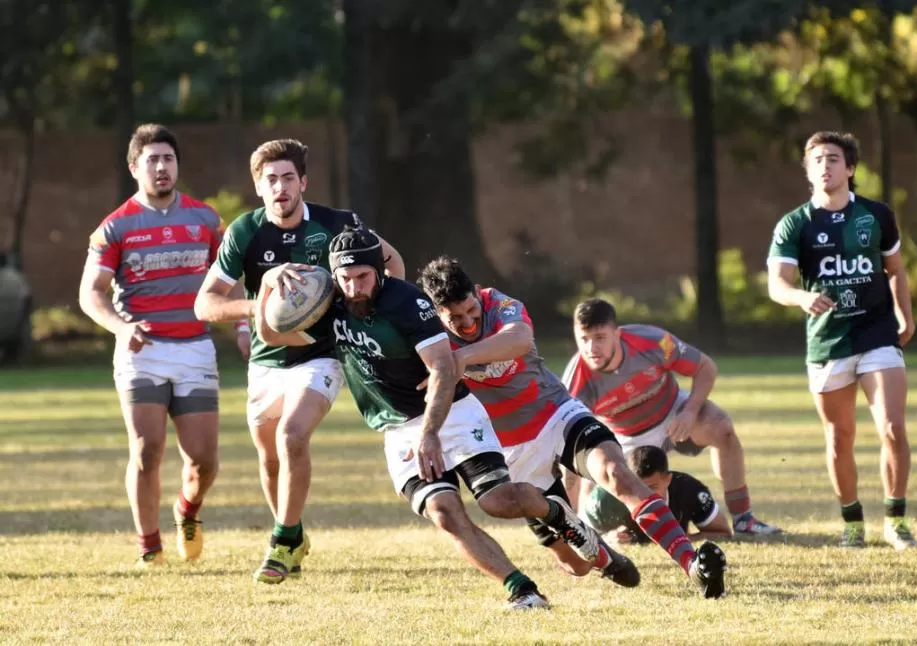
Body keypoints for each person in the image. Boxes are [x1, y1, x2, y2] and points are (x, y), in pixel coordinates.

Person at [255, 227, 620, 609]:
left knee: (497, 501)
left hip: (453, 411)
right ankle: (523, 590)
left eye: (362, 277)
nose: (354, 287)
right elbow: (275, 335)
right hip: (397, 428)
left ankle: (558, 514)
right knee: (444, 514)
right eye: (345, 279)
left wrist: (430, 434)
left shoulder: (407, 303)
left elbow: (444, 368)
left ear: (379, 271)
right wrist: (267, 284)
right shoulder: (331, 306)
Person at [416, 256, 728, 599]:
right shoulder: (430, 336)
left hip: (555, 413)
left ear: (477, 294)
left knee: (616, 472)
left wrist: (457, 360)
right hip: (511, 450)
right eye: (455, 318)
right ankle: (603, 553)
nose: (468, 323)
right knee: (576, 563)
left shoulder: (500, 304)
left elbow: (519, 338)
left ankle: (692, 564)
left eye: (471, 311)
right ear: (437, 314)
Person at [193, 139, 406, 583]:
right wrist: (262, 299)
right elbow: (205, 304)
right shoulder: (244, 232)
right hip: (266, 360)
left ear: (303, 182)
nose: (280, 187)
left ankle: (282, 541)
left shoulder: (338, 225)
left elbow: (394, 266)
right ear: (259, 187)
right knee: (269, 457)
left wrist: (368, 317)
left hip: (322, 356)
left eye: (288, 177)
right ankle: (293, 533)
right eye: (271, 179)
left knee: (292, 436)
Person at [78, 123, 248, 566]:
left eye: (168, 159)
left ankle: (187, 509)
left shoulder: (207, 220)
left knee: (204, 462)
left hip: (195, 350)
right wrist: (119, 327)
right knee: (146, 450)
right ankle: (149, 546)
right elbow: (91, 293)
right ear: (135, 167)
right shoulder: (114, 227)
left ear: (177, 166)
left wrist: (244, 329)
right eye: (151, 160)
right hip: (142, 352)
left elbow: (232, 282)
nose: (161, 168)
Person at [766, 131, 916, 550]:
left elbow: (895, 270)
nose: (825, 166)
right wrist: (802, 297)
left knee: (892, 427)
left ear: (849, 168)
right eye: (817, 160)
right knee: (839, 438)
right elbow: (778, 285)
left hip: (877, 333)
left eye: (833, 159)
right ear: (809, 171)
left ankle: (896, 519)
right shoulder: (795, 224)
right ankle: (852, 522)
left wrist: (906, 315)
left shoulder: (876, 215)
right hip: (828, 343)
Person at [563, 298, 782, 537]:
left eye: (600, 338)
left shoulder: (651, 341)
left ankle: (744, 520)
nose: (591, 348)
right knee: (593, 470)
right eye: (584, 339)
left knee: (721, 427)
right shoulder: (577, 382)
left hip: (672, 412)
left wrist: (689, 412)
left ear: (617, 334)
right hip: (623, 436)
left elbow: (705, 367)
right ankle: (590, 532)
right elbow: (572, 450)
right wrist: (571, 517)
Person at [581, 446, 732, 545]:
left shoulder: (689, 490)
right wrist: (609, 538)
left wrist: (686, 540)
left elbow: (723, 533)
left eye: (652, 487)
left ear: (668, 479)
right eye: (637, 487)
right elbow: (582, 538)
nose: (645, 494)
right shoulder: (608, 497)